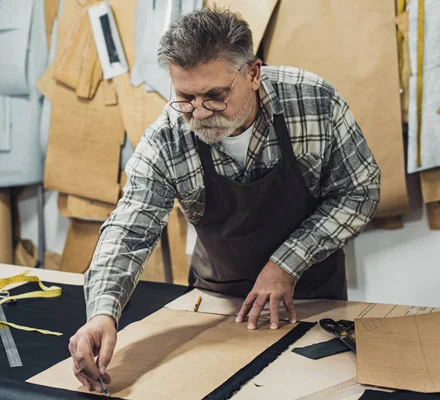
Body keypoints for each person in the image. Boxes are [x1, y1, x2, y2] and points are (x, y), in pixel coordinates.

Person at [68, 7, 381, 392]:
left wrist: (286, 264)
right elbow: (130, 230)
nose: (198, 112)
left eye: (215, 96)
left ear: (252, 73)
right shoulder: (169, 137)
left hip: (312, 294)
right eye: (185, 97)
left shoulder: (313, 102)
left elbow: (359, 191)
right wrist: (102, 312)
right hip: (218, 300)